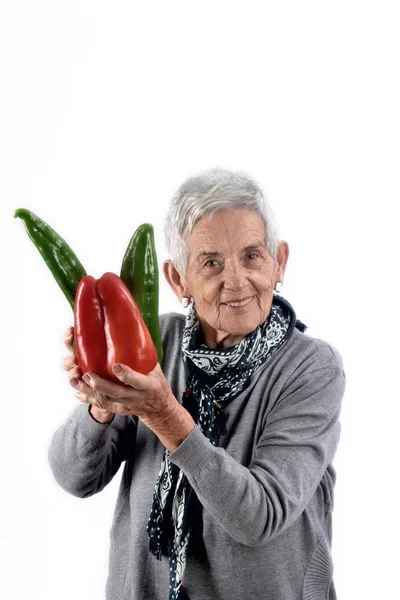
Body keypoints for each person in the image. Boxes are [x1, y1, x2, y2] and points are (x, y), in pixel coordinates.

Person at [49, 168, 345, 600]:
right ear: (177, 280)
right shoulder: (153, 342)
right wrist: (102, 405)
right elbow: (75, 477)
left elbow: (259, 517)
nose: (236, 281)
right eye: (211, 263)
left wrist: (164, 415)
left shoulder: (311, 367)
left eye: (252, 256)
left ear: (279, 262)